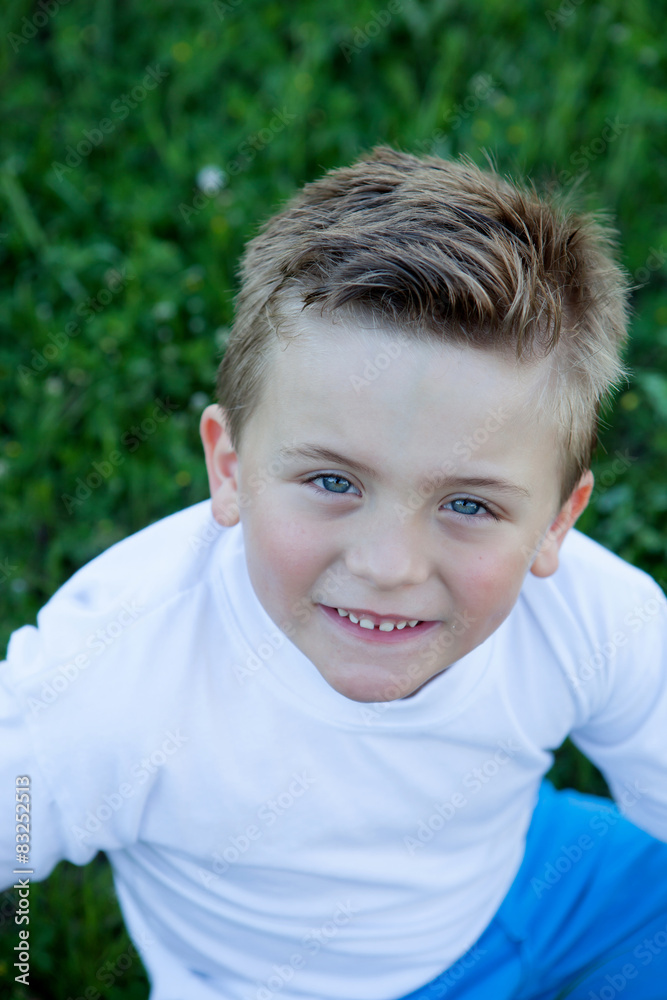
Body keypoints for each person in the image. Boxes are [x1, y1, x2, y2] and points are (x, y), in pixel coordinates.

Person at [2, 145, 666, 1000]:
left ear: (556, 523)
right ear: (230, 468)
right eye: (331, 482)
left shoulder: (592, 614)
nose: (388, 567)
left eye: (468, 505)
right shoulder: (117, 674)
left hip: (535, 886)